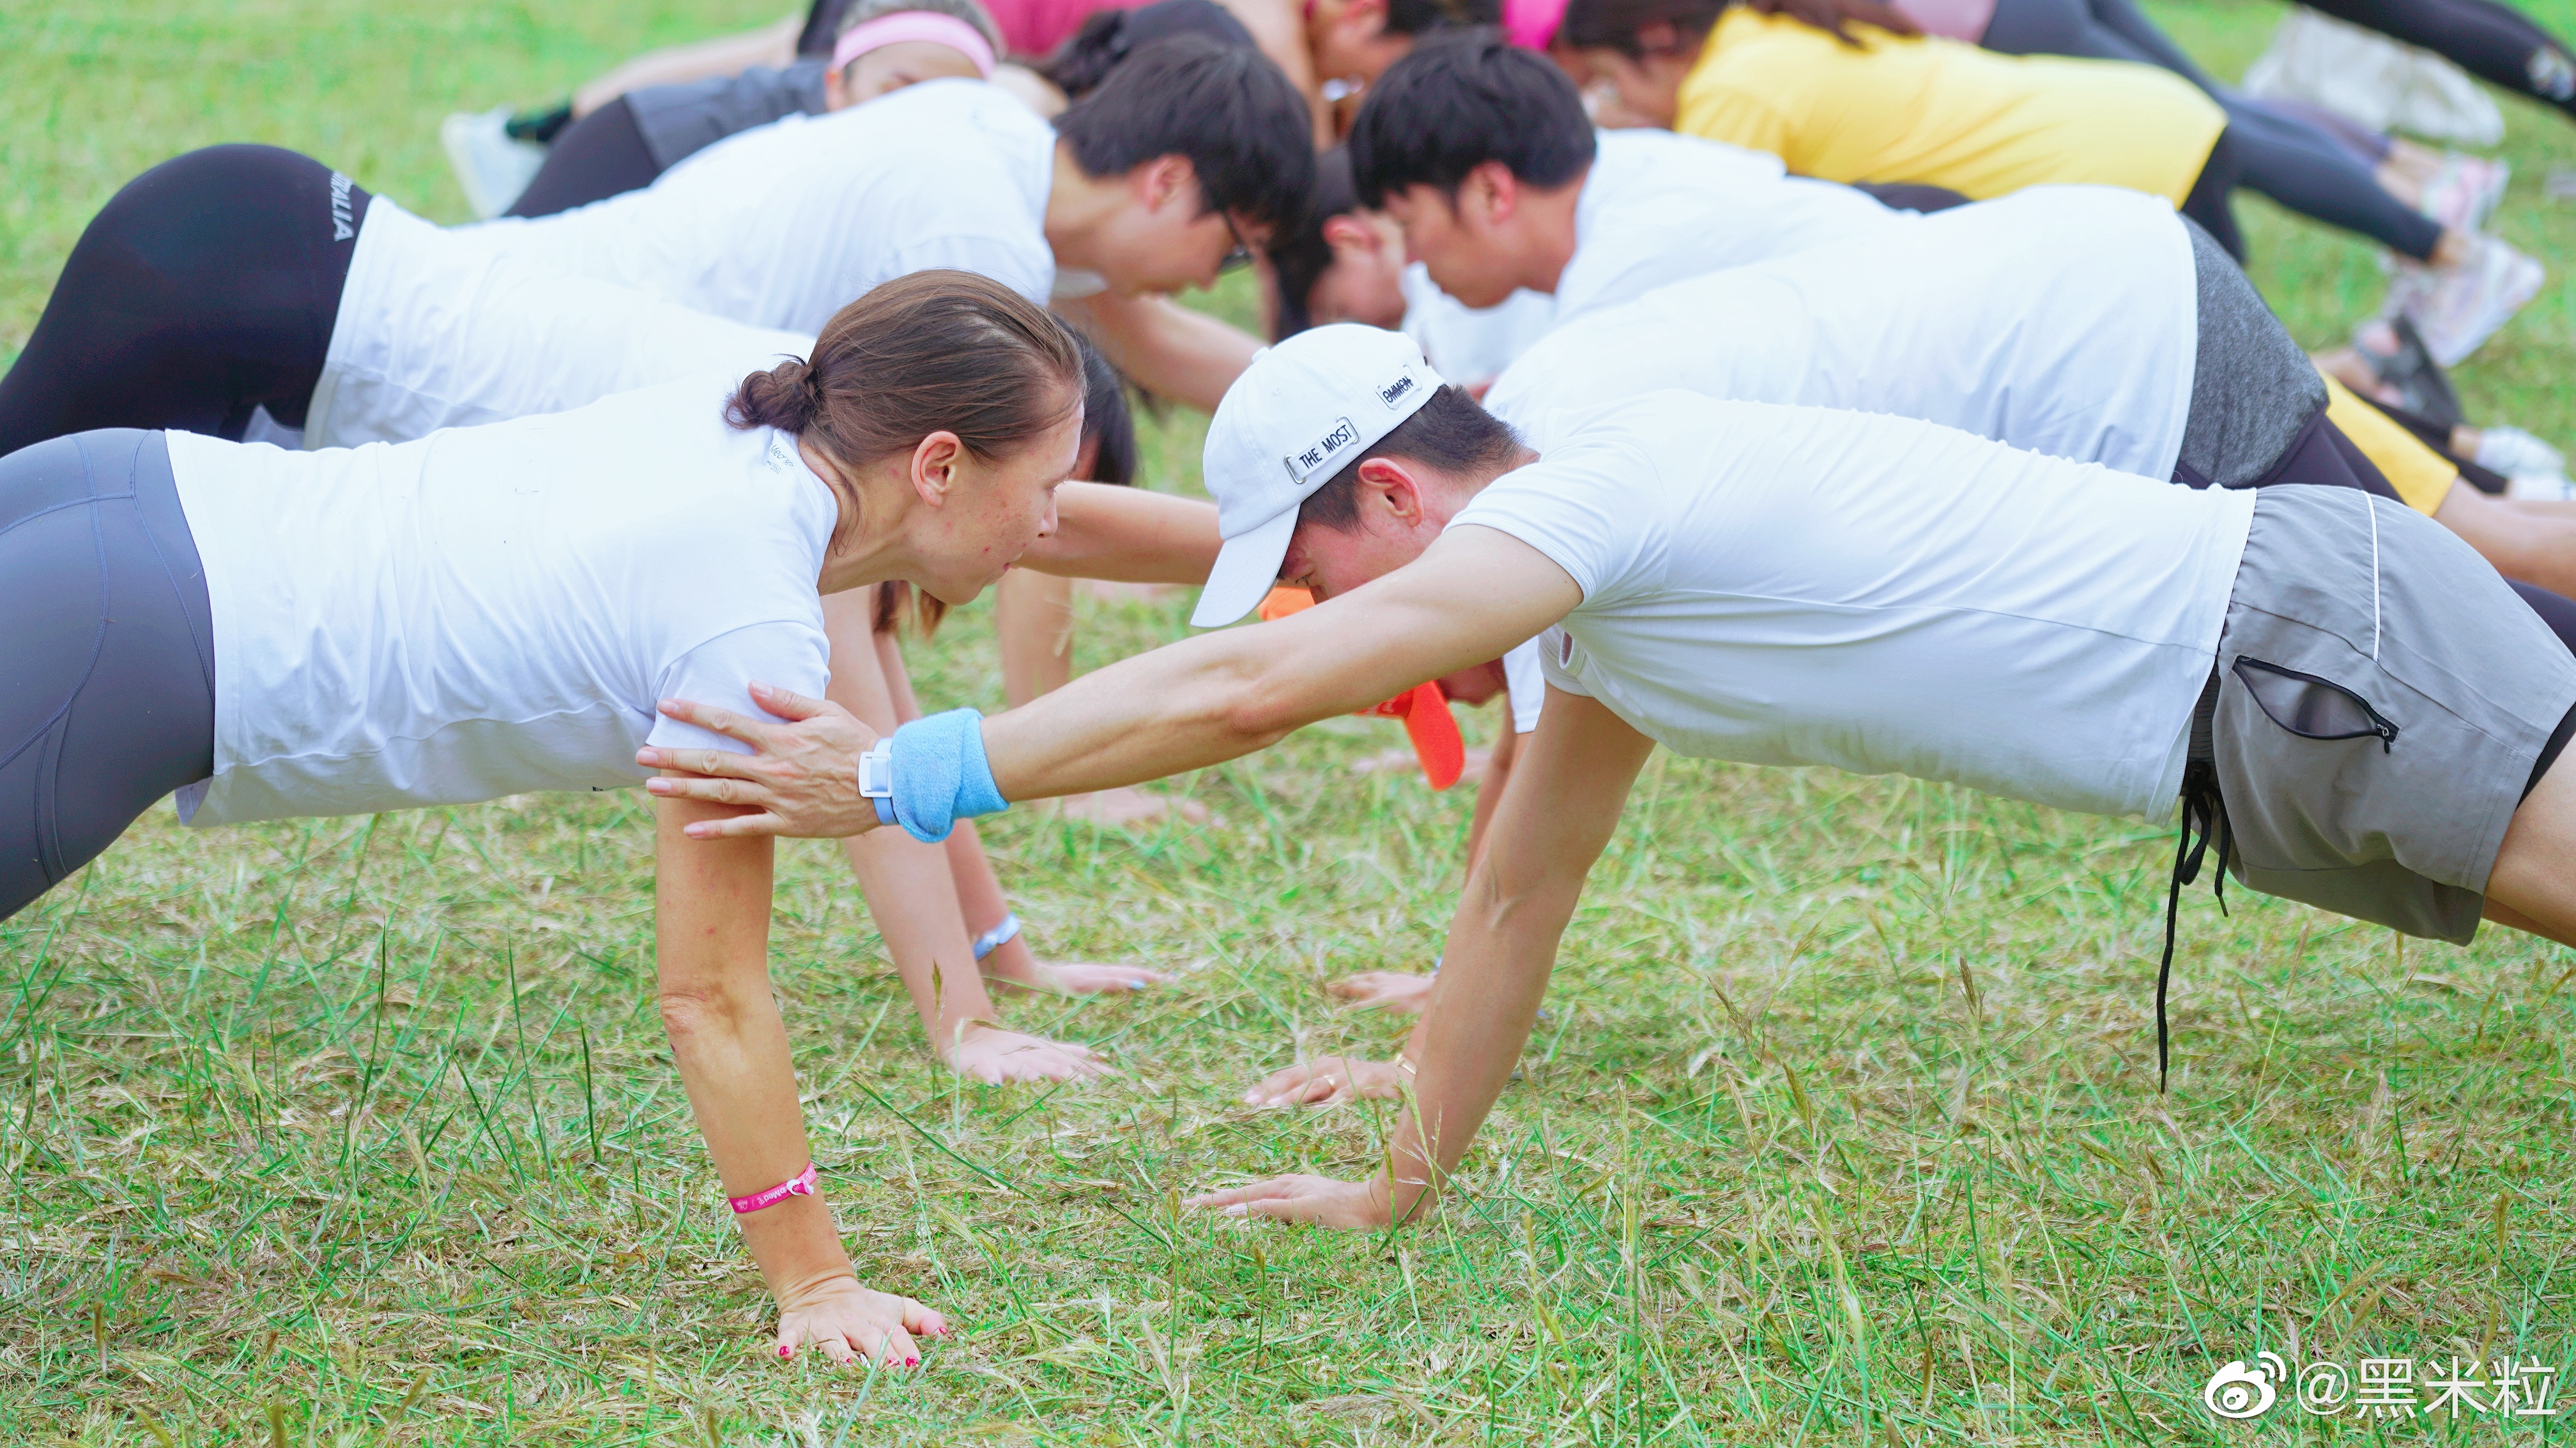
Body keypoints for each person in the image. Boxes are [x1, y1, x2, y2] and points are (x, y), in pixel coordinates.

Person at [636, 324, 2576, 1235]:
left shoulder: (1597, 501)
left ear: (1396, 494)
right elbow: (1515, 896)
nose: (1339, 629)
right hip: (2270, 700)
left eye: (1322, 567)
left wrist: (906, 765)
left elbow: (1249, 683)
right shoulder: (1608, 601)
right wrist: (1400, 1175)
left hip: (2308, 657)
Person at [0, 273, 1204, 1362]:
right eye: (1043, 489)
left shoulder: (788, 400)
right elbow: (709, 993)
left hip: (124, 491)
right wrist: (818, 1281)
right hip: (122, 651)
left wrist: (1318, 572)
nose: (1053, 526)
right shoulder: (748, 631)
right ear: (937, 468)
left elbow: (1070, 520)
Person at [0, 38, 1310, 456]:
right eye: (1233, 245)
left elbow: (1149, 332)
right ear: (1167, 181)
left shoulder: (992, 135)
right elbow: (1037, 501)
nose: (1216, 279)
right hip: (307, 315)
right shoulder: (975, 241)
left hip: (288, 253)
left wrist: (1375, 421)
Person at [1874, 0, 2546, 368]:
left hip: (1983, 19)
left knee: (2219, 136)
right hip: (2006, 12)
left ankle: (2449, 251)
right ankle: (2435, 222)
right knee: (2219, 116)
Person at [504, 0, 1011, 219]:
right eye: (898, 90)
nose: (919, 114)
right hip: (637, 145)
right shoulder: (805, 138)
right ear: (836, 84)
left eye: (947, 103)